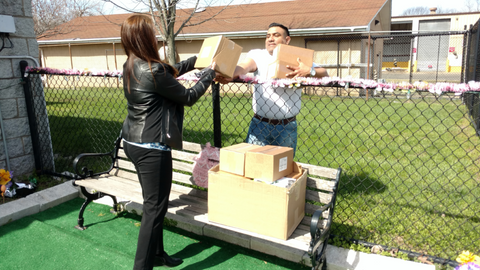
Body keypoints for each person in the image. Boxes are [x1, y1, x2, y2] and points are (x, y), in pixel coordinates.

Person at [120, 14, 217, 270]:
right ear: (144, 37)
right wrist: (210, 73)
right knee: (154, 209)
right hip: (152, 148)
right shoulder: (153, 70)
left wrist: (195, 62)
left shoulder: (131, 64)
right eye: (151, 32)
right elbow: (187, 96)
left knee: (154, 205)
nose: (155, 35)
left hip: (133, 142)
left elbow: (168, 73)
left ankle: (157, 253)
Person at [216, 23, 329, 156]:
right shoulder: (257, 55)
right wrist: (228, 73)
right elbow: (244, 66)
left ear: (287, 40)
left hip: (287, 126)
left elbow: (325, 73)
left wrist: (309, 71)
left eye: (276, 35)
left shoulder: (297, 58)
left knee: (283, 168)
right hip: (259, 124)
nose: (270, 39)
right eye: (268, 36)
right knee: (254, 165)